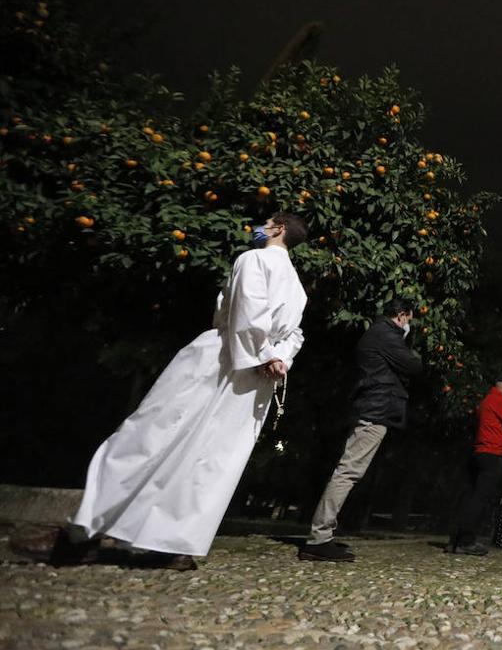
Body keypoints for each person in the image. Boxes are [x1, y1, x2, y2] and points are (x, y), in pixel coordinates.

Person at [40, 214, 309, 571]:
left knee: (151, 432)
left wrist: (263, 354)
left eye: (266, 222)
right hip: (257, 378)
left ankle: (82, 534)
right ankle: (174, 544)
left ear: (278, 230)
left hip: (220, 357)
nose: (258, 226)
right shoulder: (298, 287)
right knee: (213, 456)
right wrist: (277, 358)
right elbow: (294, 334)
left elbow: (247, 312)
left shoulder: (253, 259)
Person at [300, 297, 423, 562]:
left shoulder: (379, 333)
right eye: (409, 319)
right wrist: (407, 340)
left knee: (349, 471)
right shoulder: (385, 335)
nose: (409, 324)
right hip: (375, 411)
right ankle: (318, 538)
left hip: (374, 408)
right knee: (348, 472)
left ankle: (322, 536)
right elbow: (414, 365)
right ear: (402, 315)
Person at [449, 376, 502, 555]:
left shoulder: (485, 401)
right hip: (493, 453)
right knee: (481, 498)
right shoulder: (498, 399)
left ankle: (455, 539)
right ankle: (466, 540)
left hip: (480, 451)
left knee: (471, 495)